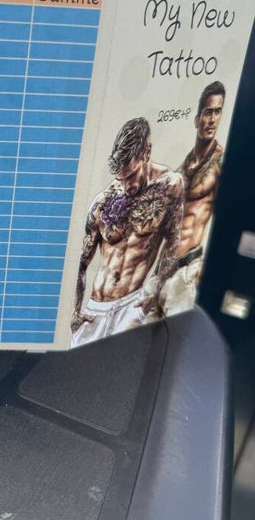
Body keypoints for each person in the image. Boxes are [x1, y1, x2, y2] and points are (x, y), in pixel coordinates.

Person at [70, 117, 184, 347]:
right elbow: (82, 261)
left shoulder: (169, 187)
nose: (125, 185)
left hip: (132, 306)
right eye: (120, 178)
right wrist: (75, 310)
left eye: (130, 176)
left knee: (119, 368)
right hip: (95, 310)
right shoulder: (103, 201)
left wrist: (156, 289)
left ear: (146, 153)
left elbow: (174, 240)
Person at [163, 81, 225, 314]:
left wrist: (209, 267)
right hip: (163, 269)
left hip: (189, 268)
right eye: (208, 112)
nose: (212, 120)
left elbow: (225, 221)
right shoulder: (184, 165)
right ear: (197, 118)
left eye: (217, 112)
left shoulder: (219, 164)